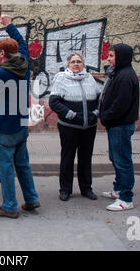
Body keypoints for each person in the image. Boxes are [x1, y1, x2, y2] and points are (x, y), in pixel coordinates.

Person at [0, 14, 40, 219]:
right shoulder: (22, 61)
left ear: (2, 53)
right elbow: (21, 42)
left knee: (4, 169)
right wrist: (9, 25)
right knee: (22, 164)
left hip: (6, 126)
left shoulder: (2, 73)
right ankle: (31, 199)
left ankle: (10, 206)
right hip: (21, 123)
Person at [49, 53, 101, 202]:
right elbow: (54, 102)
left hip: (89, 127)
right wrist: (70, 114)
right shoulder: (61, 78)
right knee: (67, 158)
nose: (76, 64)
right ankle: (65, 189)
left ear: (83, 64)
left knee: (86, 158)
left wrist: (96, 113)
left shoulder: (89, 78)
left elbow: (99, 98)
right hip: (69, 127)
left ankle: (86, 189)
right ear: (68, 64)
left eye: (79, 61)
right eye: (73, 62)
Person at [99, 43, 139, 211]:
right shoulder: (119, 73)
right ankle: (118, 189)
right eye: (109, 55)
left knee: (122, 161)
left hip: (120, 126)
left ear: (121, 57)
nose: (108, 58)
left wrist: (104, 116)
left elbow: (119, 105)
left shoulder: (125, 76)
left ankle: (126, 198)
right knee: (116, 159)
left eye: (112, 55)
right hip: (116, 125)